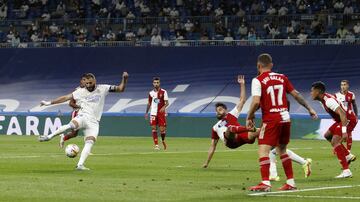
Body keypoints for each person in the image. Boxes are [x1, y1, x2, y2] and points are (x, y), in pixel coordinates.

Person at [202, 76, 312, 178]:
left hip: (243, 136)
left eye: (220, 110)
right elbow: (213, 146)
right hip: (230, 141)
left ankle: (301, 163)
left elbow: (242, 100)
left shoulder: (232, 114)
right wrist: (206, 162)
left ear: (225, 110)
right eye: (217, 111)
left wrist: (242, 84)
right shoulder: (215, 127)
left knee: (267, 136)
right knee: (230, 129)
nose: (218, 112)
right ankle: (249, 129)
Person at [247, 53, 317, 192]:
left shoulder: (257, 80)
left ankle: (265, 183)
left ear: (258, 65)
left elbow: (255, 101)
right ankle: (291, 183)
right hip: (285, 118)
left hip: (271, 119)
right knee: (282, 149)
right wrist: (309, 108)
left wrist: (250, 116)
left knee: (263, 149)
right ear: (271, 65)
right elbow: (296, 94)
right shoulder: (282, 77)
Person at [39, 72, 129, 170]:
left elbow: (120, 89)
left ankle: (80, 165)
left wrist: (124, 79)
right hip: (83, 116)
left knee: (89, 142)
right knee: (71, 125)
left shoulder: (103, 88)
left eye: (90, 83)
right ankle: (49, 136)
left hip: (94, 123)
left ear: (95, 81)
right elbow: (65, 98)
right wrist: (48, 103)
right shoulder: (80, 91)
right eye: (86, 83)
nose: (88, 85)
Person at [311, 81, 356, 178]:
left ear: (318, 91)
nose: (311, 93)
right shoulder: (322, 100)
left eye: (312, 91)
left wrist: (344, 132)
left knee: (335, 141)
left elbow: (343, 114)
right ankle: (347, 155)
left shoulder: (328, 101)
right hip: (341, 119)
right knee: (327, 135)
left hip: (348, 119)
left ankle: (346, 171)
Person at [59, 74, 87, 148]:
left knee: (87, 129)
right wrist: (80, 107)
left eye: (86, 80)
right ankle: (63, 137)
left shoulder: (89, 90)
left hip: (86, 113)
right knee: (74, 134)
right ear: (81, 81)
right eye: (84, 80)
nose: (85, 81)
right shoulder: (77, 91)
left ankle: (87, 149)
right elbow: (71, 103)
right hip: (77, 113)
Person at [145, 77, 169, 150]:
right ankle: (156, 145)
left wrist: (163, 107)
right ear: (153, 83)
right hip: (153, 113)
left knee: (162, 129)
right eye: (155, 82)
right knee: (154, 128)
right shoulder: (151, 93)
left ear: (159, 83)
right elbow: (149, 103)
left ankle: (163, 140)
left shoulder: (164, 92)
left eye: (157, 82)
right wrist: (146, 112)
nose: (156, 84)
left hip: (161, 113)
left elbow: (167, 103)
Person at [335, 80, 358, 151]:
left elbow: (354, 105)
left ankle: (348, 151)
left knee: (349, 133)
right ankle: (338, 148)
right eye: (342, 85)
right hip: (340, 117)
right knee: (339, 134)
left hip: (349, 117)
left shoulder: (351, 95)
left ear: (347, 86)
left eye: (344, 85)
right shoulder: (336, 95)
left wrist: (356, 115)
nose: (343, 86)